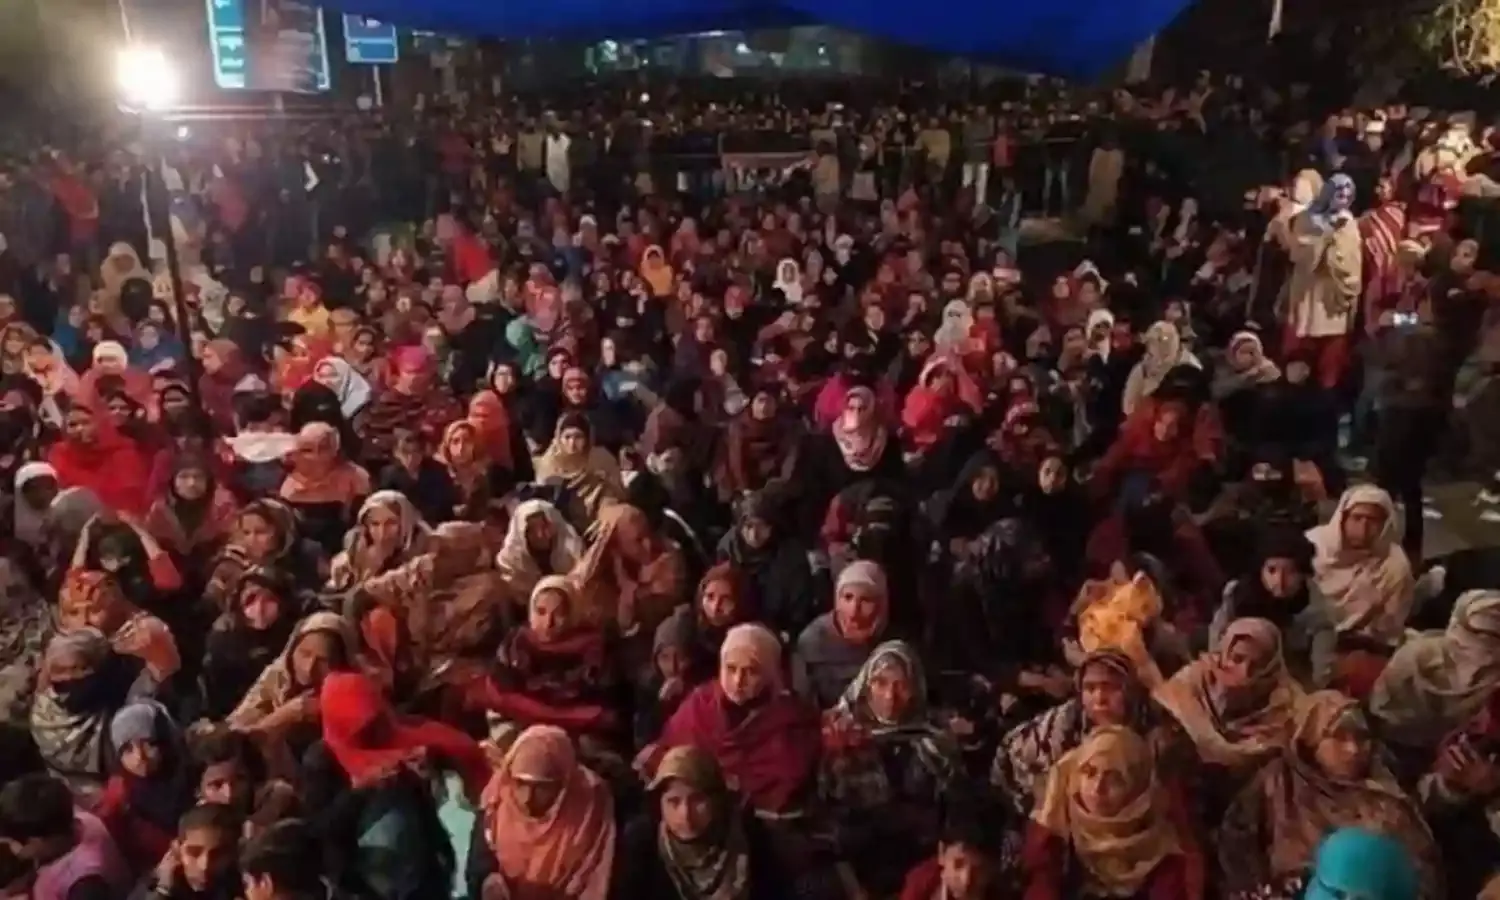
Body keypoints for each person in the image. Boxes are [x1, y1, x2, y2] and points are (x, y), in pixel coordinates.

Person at [1217, 691, 1441, 898]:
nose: (1353, 750)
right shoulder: (1276, 784)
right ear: (1310, 742)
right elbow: (1238, 852)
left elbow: (1423, 875)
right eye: (1338, 737)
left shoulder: (1387, 796)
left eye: (1362, 738)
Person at [1021, 726, 1204, 900]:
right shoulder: (1057, 838)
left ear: (1138, 788)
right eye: (1089, 773)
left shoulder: (1161, 850)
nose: (1098, 787)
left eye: (1115, 778)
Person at [612, 744, 789, 900]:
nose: (685, 814)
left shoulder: (750, 836)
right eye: (673, 802)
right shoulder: (643, 842)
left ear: (717, 800)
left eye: (698, 800)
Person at [474, 724, 615, 900]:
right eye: (520, 784)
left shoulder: (590, 813)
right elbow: (479, 862)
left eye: (542, 788)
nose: (527, 798)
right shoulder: (495, 806)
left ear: (563, 783)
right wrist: (488, 879)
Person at [0, 772, 129, 900]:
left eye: (12, 842)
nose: (9, 846)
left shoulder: (84, 885)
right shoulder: (67, 817)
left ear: (36, 841)